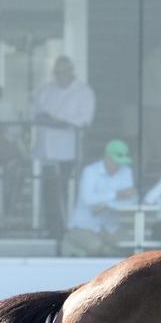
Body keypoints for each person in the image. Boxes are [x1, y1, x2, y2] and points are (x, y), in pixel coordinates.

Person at [32, 55, 96, 238]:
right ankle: (52, 229)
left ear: (71, 71)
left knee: (66, 194)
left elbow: (85, 120)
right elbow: (35, 114)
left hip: (68, 152)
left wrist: (58, 122)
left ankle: (67, 231)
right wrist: (46, 119)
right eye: (56, 72)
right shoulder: (45, 90)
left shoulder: (84, 92)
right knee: (48, 193)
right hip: (45, 152)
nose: (59, 75)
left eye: (63, 71)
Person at [63, 139, 137, 257]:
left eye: (120, 163)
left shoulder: (126, 171)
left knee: (130, 245)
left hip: (110, 227)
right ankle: (71, 242)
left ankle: (107, 250)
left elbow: (130, 200)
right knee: (96, 246)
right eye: (115, 162)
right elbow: (88, 198)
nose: (118, 166)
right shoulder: (90, 171)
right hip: (85, 226)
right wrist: (116, 195)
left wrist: (105, 205)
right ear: (107, 157)